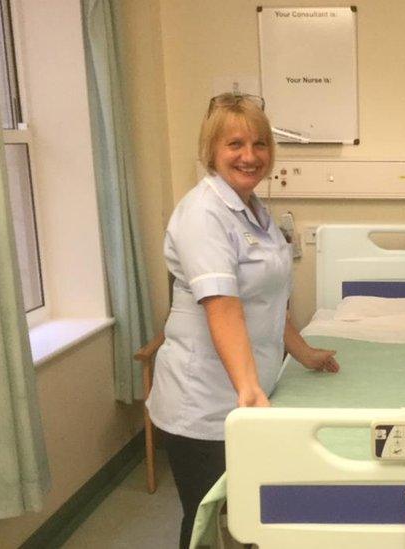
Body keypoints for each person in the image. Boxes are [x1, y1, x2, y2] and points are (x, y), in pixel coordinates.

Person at [146, 93, 340, 549]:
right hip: (205, 403)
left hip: (245, 390)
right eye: (235, 144)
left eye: (260, 144)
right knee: (206, 520)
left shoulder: (254, 210)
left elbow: (270, 298)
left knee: (251, 516)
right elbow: (223, 305)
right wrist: (248, 389)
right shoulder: (203, 213)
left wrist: (303, 352)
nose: (250, 156)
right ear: (211, 150)